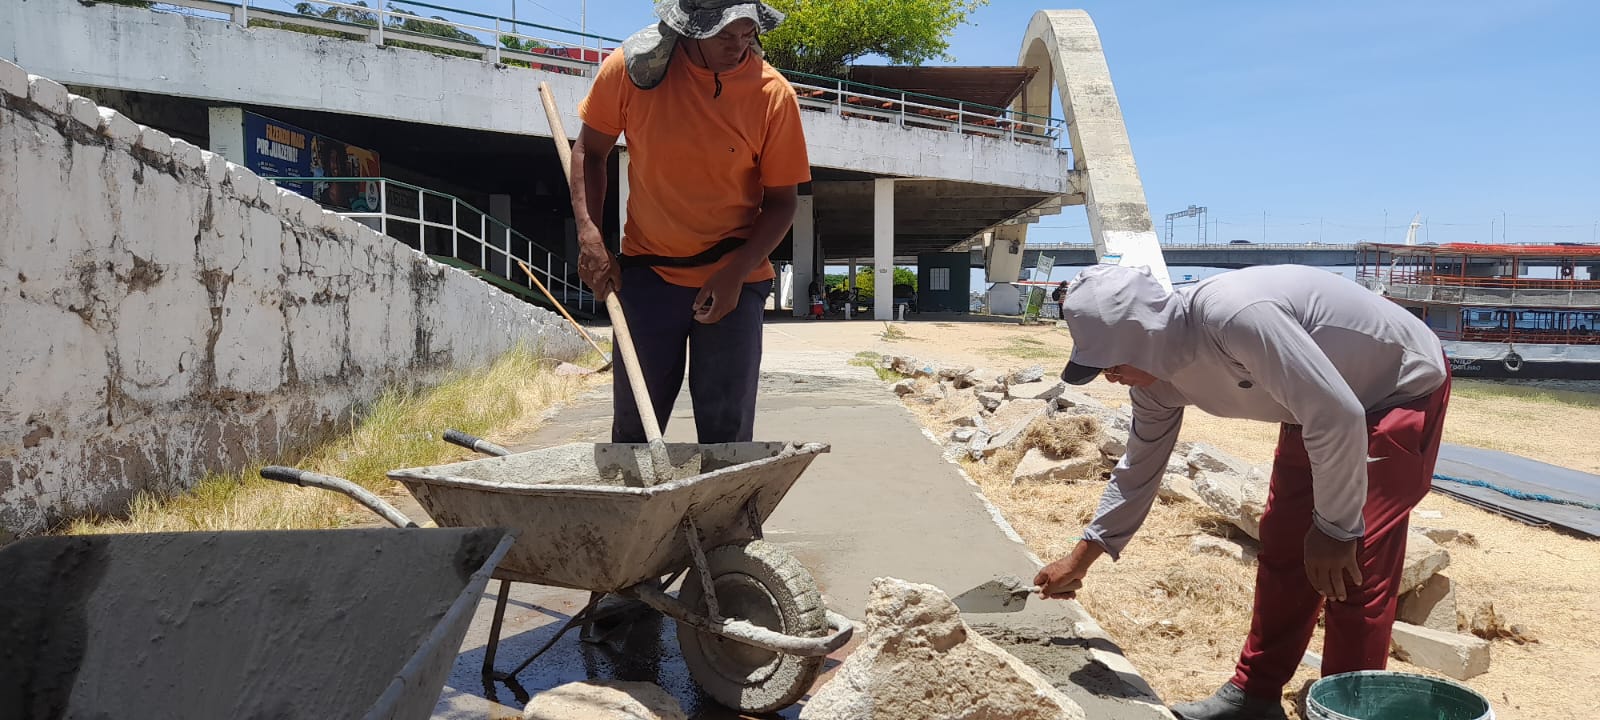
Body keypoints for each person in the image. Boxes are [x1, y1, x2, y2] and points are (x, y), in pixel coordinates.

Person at [1034, 264, 1451, 720]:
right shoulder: (1153, 384)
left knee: (1352, 565)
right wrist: (1082, 558)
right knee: (1285, 543)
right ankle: (1254, 696)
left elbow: (1338, 415)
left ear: (1145, 335)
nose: (1110, 377)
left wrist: (1336, 529)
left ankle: (1345, 711)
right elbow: (1138, 470)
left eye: (1112, 363)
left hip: (1395, 390)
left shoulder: (1233, 318)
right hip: (1315, 406)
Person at [569, 0, 808, 444]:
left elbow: (782, 203)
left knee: (727, 438)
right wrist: (590, 234)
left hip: (734, 278)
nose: (739, 47)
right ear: (691, 29)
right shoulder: (631, 70)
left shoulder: (772, 95)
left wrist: (735, 274)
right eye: (725, 36)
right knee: (634, 433)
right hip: (648, 276)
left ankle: (726, 494)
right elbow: (589, 152)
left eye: (747, 35)